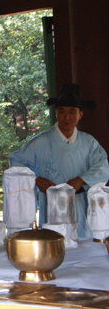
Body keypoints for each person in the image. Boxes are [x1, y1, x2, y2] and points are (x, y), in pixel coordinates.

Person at [9, 83, 109, 238]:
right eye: (62, 112)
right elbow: (16, 161)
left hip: (80, 207)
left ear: (80, 114)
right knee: (53, 245)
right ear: (56, 113)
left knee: (84, 251)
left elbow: (103, 166)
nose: (67, 117)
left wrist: (81, 180)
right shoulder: (41, 142)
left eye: (72, 112)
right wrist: (36, 179)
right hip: (51, 209)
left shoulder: (89, 143)